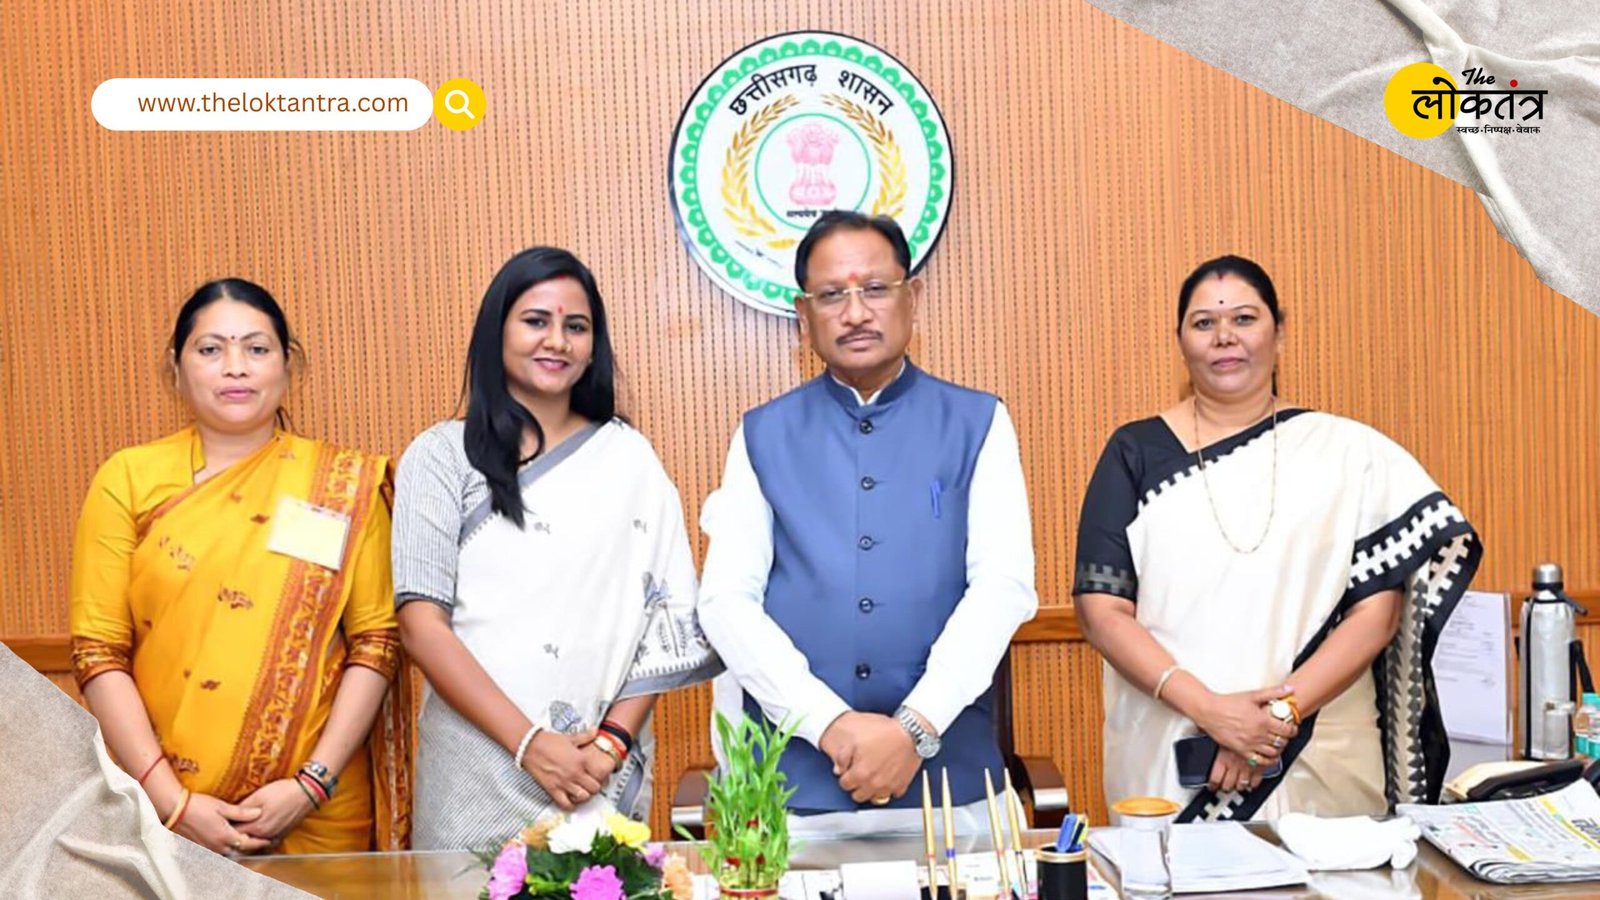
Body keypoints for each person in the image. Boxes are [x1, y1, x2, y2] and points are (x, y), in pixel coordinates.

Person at [1074, 255, 1481, 822]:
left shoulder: (1350, 455)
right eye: (1203, 323)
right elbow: (1101, 611)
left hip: (1319, 752)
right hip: (1175, 750)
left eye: (1244, 318)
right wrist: (1213, 713)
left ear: (1278, 332)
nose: (1224, 338)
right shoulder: (1134, 455)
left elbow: (1378, 613)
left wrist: (1275, 721)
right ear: (1180, 340)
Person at [698, 211, 1038, 836]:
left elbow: (1003, 587)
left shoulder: (979, 422)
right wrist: (827, 723)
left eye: (875, 289)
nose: (855, 313)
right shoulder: (760, 434)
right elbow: (725, 601)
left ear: (913, 297)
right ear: (805, 317)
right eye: (832, 295)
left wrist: (915, 728)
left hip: (949, 789)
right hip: (790, 792)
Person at [394, 246, 720, 850]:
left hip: (598, 769)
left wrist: (608, 745)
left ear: (594, 346)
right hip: (478, 768)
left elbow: (663, 620)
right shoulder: (442, 455)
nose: (558, 341)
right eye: (536, 321)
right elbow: (421, 626)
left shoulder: (628, 458)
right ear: (497, 332)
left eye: (577, 326)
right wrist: (529, 744)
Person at [69, 278, 403, 855]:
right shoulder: (128, 479)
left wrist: (310, 784)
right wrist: (172, 800)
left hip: (318, 815)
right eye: (210, 349)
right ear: (176, 368)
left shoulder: (342, 486)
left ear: (288, 363)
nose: (235, 367)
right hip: (162, 811)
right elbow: (98, 652)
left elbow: (376, 643)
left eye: (256, 348)